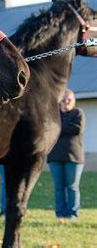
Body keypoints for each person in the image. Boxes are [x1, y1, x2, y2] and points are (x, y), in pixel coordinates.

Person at [47, 89, 86, 222]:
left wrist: (58, 127)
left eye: (69, 99)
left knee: (73, 186)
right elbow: (48, 129)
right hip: (54, 157)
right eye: (63, 99)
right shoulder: (54, 114)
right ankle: (60, 214)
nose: (66, 102)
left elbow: (77, 128)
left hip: (74, 158)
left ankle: (73, 214)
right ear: (59, 101)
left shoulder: (78, 113)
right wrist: (62, 127)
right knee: (59, 187)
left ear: (74, 101)